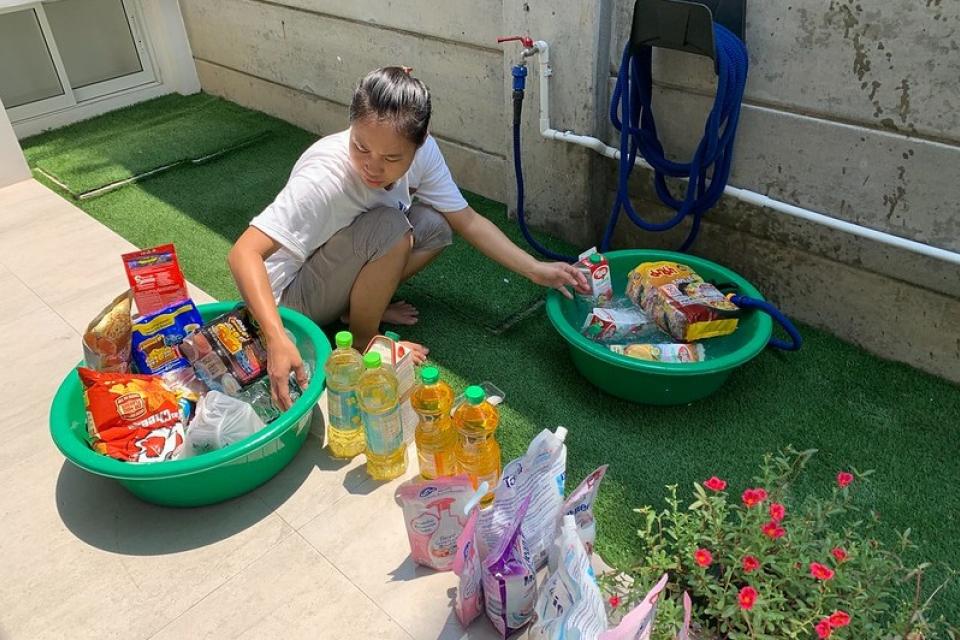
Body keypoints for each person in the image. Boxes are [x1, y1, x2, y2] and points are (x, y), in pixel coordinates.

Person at [229, 67, 588, 409]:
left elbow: (467, 221)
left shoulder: (423, 154)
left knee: (434, 226)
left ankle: (359, 307)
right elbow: (244, 253)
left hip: (332, 264)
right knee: (391, 227)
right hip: (287, 301)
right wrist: (276, 336)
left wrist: (535, 270)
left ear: (422, 140)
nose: (372, 166)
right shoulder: (324, 178)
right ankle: (363, 337)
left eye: (391, 158)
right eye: (361, 147)